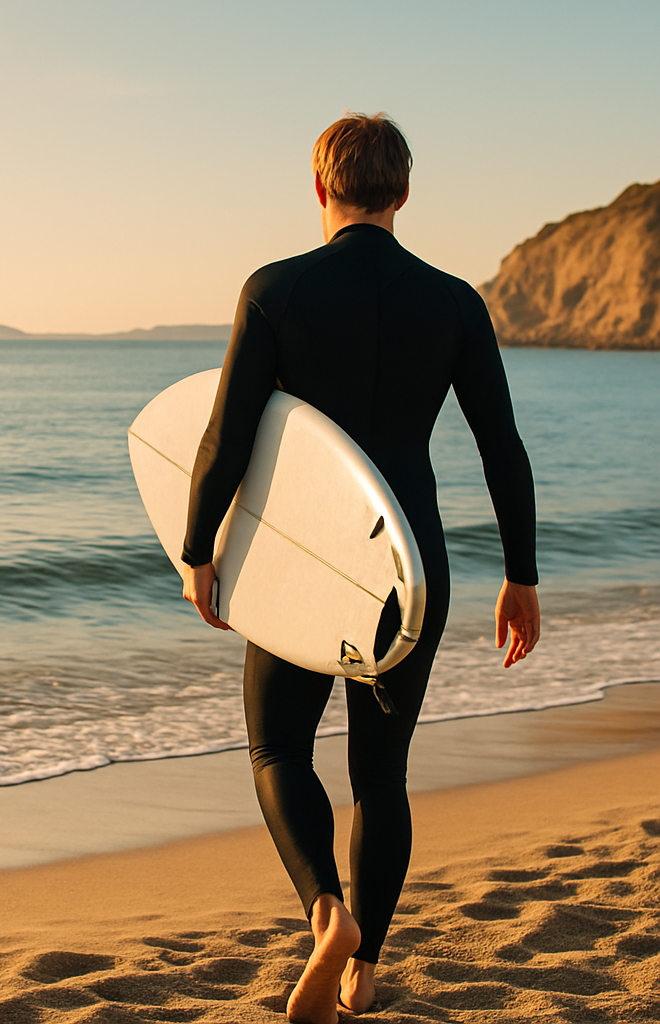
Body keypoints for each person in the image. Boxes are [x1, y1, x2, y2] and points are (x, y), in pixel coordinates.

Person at [179, 113, 540, 1024]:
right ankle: (366, 968)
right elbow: (502, 447)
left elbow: (225, 437)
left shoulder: (274, 291)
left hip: (308, 566)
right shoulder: (456, 302)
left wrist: (197, 549)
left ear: (318, 188)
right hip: (409, 567)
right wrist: (522, 575)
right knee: (382, 778)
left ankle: (324, 910)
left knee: (277, 749)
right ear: (404, 194)